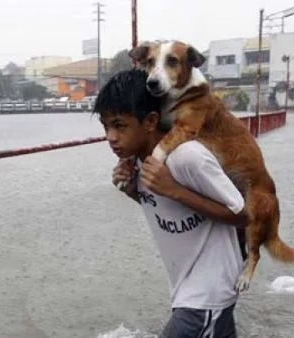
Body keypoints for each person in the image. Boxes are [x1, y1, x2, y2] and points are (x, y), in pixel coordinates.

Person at [93, 69, 248, 338]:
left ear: (151, 121)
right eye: (105, 126)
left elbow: (243, 214)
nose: (111, 137)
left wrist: (175, 189)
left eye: (119, 125)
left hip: (206, 295)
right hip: (188, 291)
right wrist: (133, 191)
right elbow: (170, 212)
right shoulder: (140, 162)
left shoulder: (187, 157)